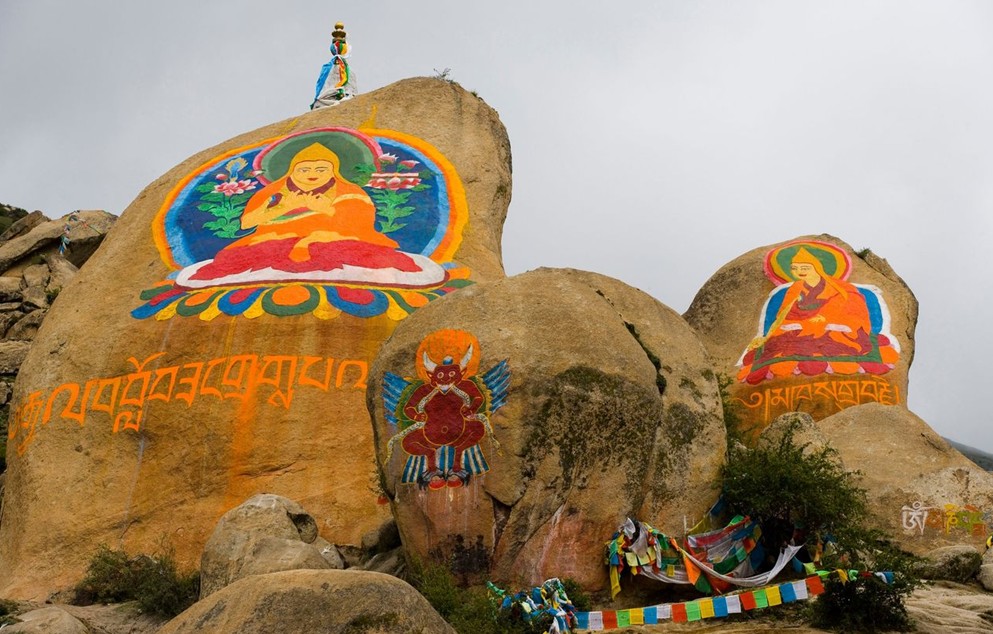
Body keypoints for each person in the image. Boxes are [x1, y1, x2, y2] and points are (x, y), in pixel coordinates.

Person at [183, 142, 432, 286]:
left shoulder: (348, 191)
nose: (312, 174)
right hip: (272, 241)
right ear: (291, 172)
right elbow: (247, 223)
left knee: (358, 254)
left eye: (321, 169)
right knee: (233, 258)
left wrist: (324, 210)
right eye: (304, 170)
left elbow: (362, 223)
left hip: (334, 239)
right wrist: (283, 207)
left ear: (333, 172)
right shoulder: (275, 193)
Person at [738, 247, 898, 384]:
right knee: (780, 342)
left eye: (804, 268)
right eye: (795, 268)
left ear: (816, 268)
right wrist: (802, 322)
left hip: (837, 329)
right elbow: (785, 314)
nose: (799, 272)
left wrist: (825, 318)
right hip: (802, 329)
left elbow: (854, 306)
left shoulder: (841, 287)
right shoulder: (794, 289)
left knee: (835, 338)